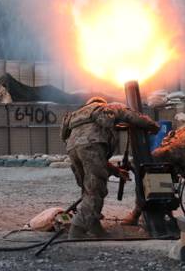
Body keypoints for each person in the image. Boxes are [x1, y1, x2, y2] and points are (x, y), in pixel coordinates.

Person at [61, 96, 160, 239]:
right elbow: (132, 116)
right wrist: (153, 126)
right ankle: (77, 229)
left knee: (88, 188)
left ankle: (94, 227)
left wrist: (116, 171)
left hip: (72, 149)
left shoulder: (76, 114)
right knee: (95, 189)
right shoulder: (108, 107)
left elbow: (91, 155)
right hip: (92, 145)